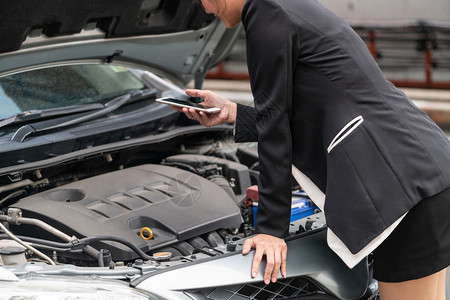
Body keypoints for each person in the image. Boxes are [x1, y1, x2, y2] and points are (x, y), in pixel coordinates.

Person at [176, 0, 450, 299]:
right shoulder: (283, 5)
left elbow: (274, 126)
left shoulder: (266, 14)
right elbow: (309, 109)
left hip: (400, 187)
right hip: (422, 166)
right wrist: (234, 113)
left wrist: (270, 229)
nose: (203, 7)